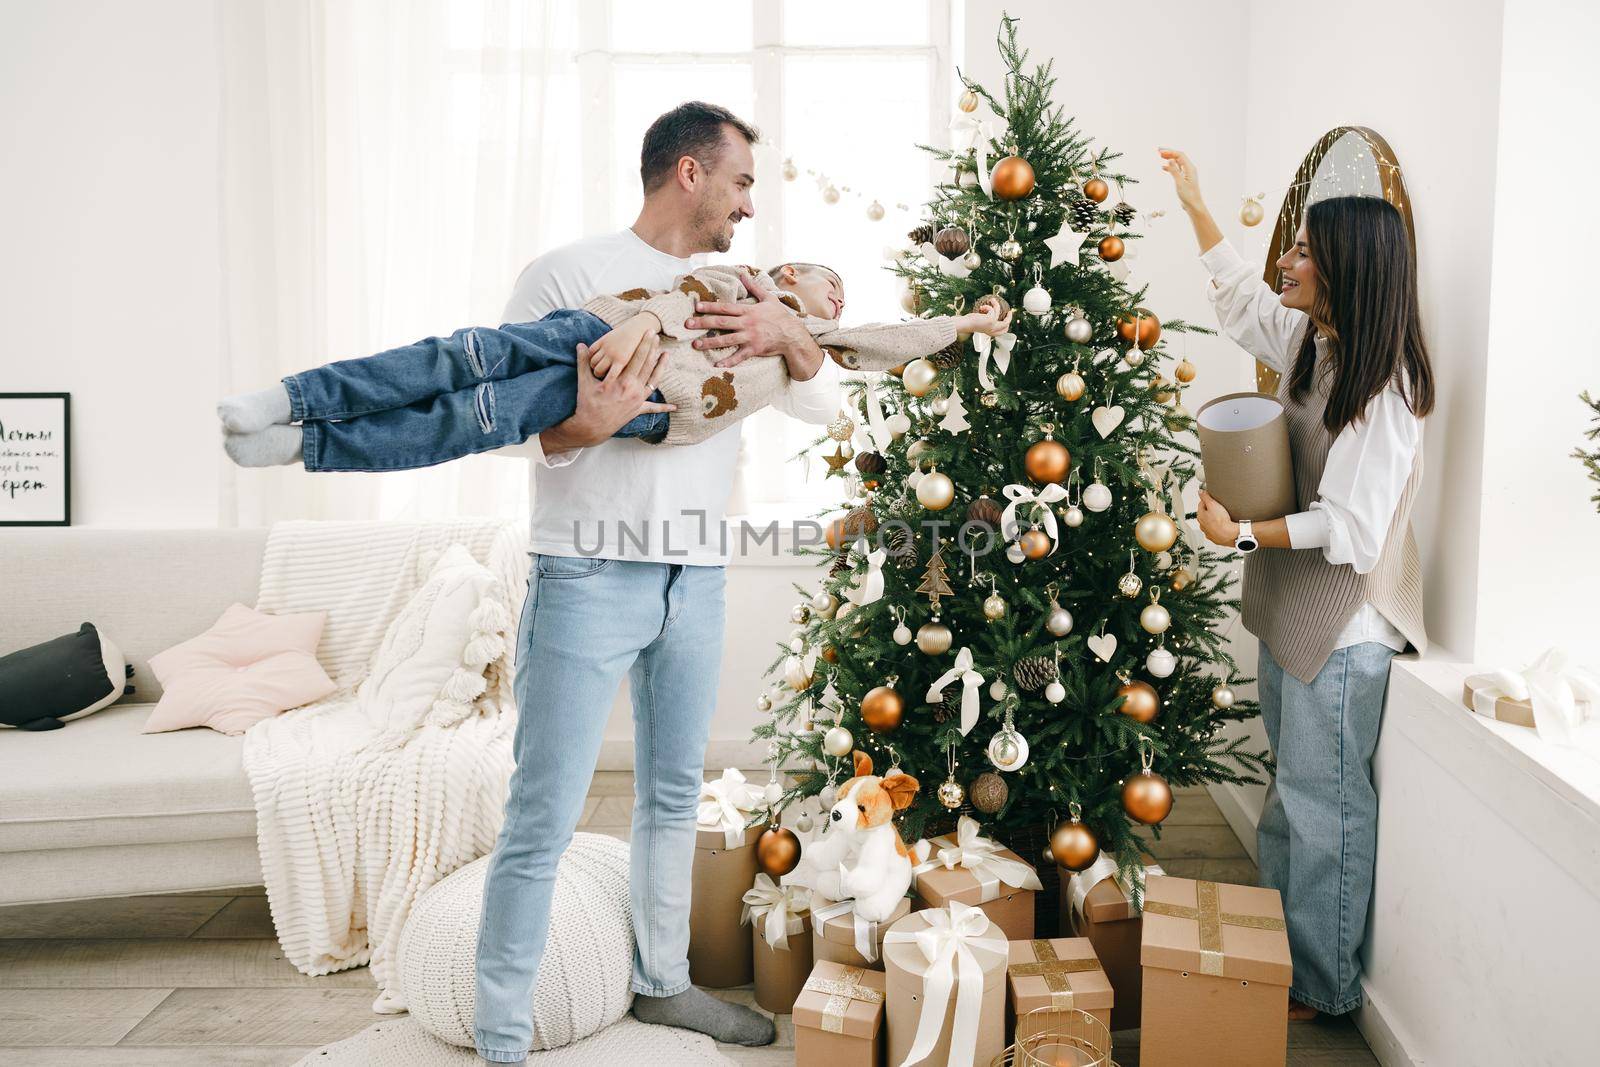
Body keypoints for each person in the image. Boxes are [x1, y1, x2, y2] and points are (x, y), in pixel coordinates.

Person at [1161, 149, 1434, 1021]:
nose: (1287, 258)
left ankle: (1322, 985)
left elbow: (1352, 535)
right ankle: (1274, 957)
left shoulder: (1383, 391)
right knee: (1291, 796)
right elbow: (1241, 300)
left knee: (1326, 811)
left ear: (1348, 269)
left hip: (1346, 632)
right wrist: (1198, 205)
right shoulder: (1317, 344)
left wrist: (1237, 531)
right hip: (1294, 613)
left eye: (1305, 251)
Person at [216, 264, 1010, 469]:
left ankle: (302, 443)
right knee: (455, 359)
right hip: (591, 332)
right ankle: (289, 396)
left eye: (844, 300)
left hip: (641, 402)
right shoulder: (741, 278)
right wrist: (647, 318)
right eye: (827, 282)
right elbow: (677, 294)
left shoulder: (819, 353)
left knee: (469, 419)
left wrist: (969, 322)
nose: (839, 299)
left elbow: (894, 341)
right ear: (791, 271)